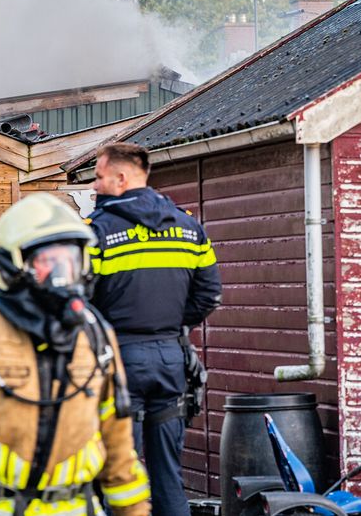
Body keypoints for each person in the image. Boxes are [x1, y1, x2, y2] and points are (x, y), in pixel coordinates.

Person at [0, 193, 151, 516]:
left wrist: (134, 510)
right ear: (14, 266)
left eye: (71, 260)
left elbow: (120, 447)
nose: (62, 274)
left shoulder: (95, 337)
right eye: (47, 262)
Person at [87, 143, 222, 516]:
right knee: (168, 475)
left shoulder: (97, 232)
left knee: (119, 474)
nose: (95, 186)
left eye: (98, 178)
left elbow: (80, 301)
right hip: (171, 358)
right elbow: (210, 295)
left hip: (118, 359)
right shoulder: (189, 228)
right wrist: (173, 325)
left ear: (121, 177)